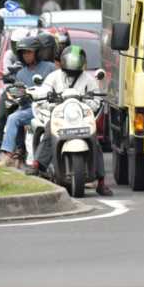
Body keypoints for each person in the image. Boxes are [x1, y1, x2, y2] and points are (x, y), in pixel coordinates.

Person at [26, 45, 113, 196]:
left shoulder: (88, 79)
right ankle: (37, 163)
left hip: (80, 116)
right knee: (48, 132)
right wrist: (49, 102)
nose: (73, 65)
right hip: (60, 114)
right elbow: (43, 93)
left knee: (95, 141)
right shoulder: (54, 77)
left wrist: (88, 104)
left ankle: (101, 181)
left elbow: (97, 100)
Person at [0, 36, 57, 165]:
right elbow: (20, 97)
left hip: (47, 108)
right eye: (23, 53)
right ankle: (10, 154)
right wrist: (18, 95)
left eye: (29, 52)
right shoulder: (21, 73)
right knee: (13, 116)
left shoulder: (50, 67)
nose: (26, 55)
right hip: (29, 109)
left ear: (37, 52)